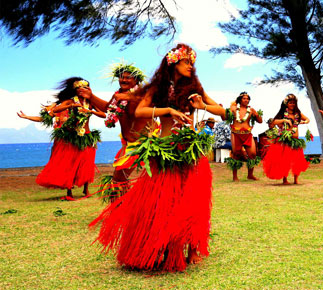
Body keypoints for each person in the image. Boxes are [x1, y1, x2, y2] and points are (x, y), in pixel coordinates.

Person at [90, 43, 225, 272]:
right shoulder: (158, 88)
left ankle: (192, 248)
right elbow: (140, 111)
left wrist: (203, 106)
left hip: (189, 151)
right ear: (173, 62)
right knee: (161, 202)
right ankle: (157, 247)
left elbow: (221, 112)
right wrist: (168, 111)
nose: (190, 66)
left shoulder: (195, 87)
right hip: (165, 149)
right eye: (186, 62)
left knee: (193, 200)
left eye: (192, 63)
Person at [83, 62, 151, 202]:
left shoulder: (142, 93)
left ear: (136, 81)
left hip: (146, 143)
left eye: (128, 77)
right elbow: (108, 108)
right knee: (119, 179)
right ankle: (122, 209)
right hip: (128, 144)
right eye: (121, 77)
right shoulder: (118, 95)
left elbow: (150, 102)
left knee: (124, 179)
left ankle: (128, 208)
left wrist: (130, 98)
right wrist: (91, 96)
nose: (124, 80)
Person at [36, 78, 104, 200]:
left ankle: (86, 189)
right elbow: (55, 110)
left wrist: (89, 111)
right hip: (73, 137)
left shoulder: (90, 102)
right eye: (78, 88)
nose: (80, 90)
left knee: (86, 163)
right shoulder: (70, 101)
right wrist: (72, 105)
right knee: (71, 164)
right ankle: (69, 191)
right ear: (74, 90)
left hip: (87, 136)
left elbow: (103, 114)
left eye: (83, 88)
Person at [262, 94, 309, 184]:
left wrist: (304, 121)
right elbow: (273, 121)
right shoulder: (282, 114)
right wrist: (284, 120)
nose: (292, 104)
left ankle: (296, 179)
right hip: (285, 140)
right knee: (285, 161)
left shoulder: (297, 114)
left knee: (297, 161)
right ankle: (285, 179)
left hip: (295, 140)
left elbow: (307, 119)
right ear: (286, 104)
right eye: (290, 103)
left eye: (294, 103)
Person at [226, 92, 263, 181]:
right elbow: (225, 118)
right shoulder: (233, 109)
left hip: (247, 134)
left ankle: (250, 175)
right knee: (236, 154)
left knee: (253, 154)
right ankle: (235, 176)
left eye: (247, 99)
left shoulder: (251, 110)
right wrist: (227, 111)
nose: (246, 100)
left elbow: (260, 121)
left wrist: (256, 114)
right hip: (236, 133)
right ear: (240, 99)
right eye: (244, 98)